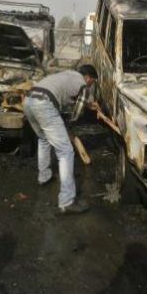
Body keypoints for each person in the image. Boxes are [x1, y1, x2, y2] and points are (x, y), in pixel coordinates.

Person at [23, 65, 99, 214]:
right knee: (66, 151)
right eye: (92, 82)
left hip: (29, 101)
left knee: (43, 138)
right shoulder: (83, 85)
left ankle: (44, 176)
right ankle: (67, 201)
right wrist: (70, 124)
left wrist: (89, 104)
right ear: (89, 77)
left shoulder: (66, 74)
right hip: (44, 104)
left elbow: (62, 98)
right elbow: (78, 110)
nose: (91, 85)